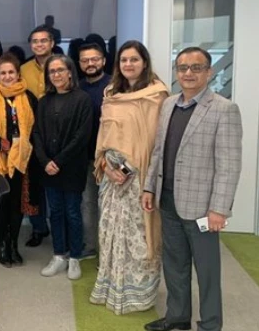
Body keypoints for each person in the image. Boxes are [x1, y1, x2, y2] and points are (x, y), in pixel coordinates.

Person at [142, 47, 242, 331]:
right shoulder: (169, 104)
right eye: (183, 67)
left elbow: (229, 165)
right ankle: (178, 317)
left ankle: (210, 324)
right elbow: (158, 151)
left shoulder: (224, 109)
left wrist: (219, 209)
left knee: (207, 271)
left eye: (196, 68)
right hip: (169, 200)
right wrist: (150, 188)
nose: (188, 73)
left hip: (202, 208)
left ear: (209, 72)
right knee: (174, 264)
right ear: (176, 72)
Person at [89, 40, 169, 314]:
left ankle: (138, 296)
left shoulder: (156, 96)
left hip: (137, 178)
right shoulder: (111, 92)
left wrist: (124, 170)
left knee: (137, 237)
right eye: (123, 60)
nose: (128, 64)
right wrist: (104, 165)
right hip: (110, 177)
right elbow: (104, 133)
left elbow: (151, 141)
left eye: (134, 59)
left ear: (144, 62)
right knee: (110, 233)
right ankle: (111, 288)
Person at [34, 55, 93, 280]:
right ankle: (59, 255)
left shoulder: (82, 99)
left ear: (70, 72)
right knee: (55, 212)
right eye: (52, 71)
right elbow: (37, 133)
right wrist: (45, 161)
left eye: (60, 70)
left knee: (72, 213)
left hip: (71, 168)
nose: (56, 75)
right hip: (48, 168)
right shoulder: (44, 101)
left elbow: (81, 137)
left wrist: (58, 161)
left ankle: (75, 257)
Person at [0, 54, 39, 267]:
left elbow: (35, 128)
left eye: (11, 72)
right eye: (2, 73)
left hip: (22, 158)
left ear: (17, 73)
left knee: (16, 203)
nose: (7, 76)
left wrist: (22, 145)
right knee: (0, 203)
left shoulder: (28, 97)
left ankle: (14, 243)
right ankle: (2, 243)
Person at [20, 25, 53, 247]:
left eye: (43, 40)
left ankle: (63, 230)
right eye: (35, 41)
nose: (39, 44)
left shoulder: (62, 66)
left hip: (58, 132)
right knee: (33, 185)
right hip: (31, 134)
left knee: (58, 186)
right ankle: (38, 228)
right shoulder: (23, 69)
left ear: (51, 43)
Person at [77, 43, 111, 259]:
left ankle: (108, 252)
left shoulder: (115, 87)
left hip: (110, 159)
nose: (90, 63)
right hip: (83, 157)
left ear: (103, 61)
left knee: (109, 207)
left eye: (95, 59)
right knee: (87, 204)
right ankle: (90, 247)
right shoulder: (77, 88)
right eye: (85, 60)